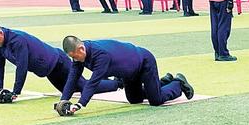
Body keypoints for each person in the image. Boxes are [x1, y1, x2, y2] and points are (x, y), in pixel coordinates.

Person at [59, 36, 193, 112]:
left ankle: (178, 84)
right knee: (134, 99)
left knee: (156, 100)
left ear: (81, 49)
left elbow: (93, 82)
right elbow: (72, 78)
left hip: (144, 62)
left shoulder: (100, 55)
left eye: (75, 56)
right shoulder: (78, 57)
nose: (74, 60)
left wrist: (80, 104)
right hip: (129, 73)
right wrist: (63, 100)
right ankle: (163, 82)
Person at [0, 21, 72, 100]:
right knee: (68, 93)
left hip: (60, 63)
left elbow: (22, 66)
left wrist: (15, 92)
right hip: (48, 71)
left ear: (0, 33)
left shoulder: (17, 40)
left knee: (79, 89)